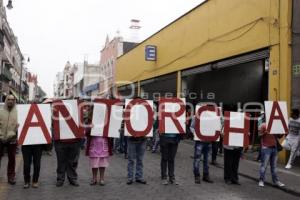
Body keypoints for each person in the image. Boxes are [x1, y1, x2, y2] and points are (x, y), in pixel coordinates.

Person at [53, 104, 82, 187]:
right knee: (61, 161)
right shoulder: (55, 112)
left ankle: (72, 178)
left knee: (72, 162)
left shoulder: (77, 112)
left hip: (74, 141)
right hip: (60, 141)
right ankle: (60, 179)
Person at [258, 114, 285, 187]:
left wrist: (283, 133)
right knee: (264, 165)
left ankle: (276, 181)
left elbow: (278, 136)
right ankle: (261, 180)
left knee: (274, 166)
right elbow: (259, 136)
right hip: (266, 148)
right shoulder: (263, 125)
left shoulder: (275, 125)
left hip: (274, 148)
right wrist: (264, 133)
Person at [85, 117, 113, 186]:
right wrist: (90, 127)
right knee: (94, 163)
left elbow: (111, 132)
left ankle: (102, 179)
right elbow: (86, 132)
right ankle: (94, 178)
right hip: (94, 143)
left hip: (103, 143)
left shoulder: (107, 120)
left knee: (102, 163)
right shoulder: (90, 120)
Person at [0, 95, 18, 185]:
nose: (10, 101)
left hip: (12, 138)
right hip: (0, 138)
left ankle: (11, 176)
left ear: (14, 101)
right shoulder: (1, 111)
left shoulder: (18, 112)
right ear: (6, 100)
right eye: (9, 99)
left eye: (12, 99)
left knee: (12, 159)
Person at [190, 115, 214, 184]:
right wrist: (196, 135)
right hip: (199, 142)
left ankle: (206, 175)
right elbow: (191, 127)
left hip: (208, 141)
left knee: (207, 160)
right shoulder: (196, 116)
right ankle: (197, 176)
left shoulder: (212, 117)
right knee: (197, 159)